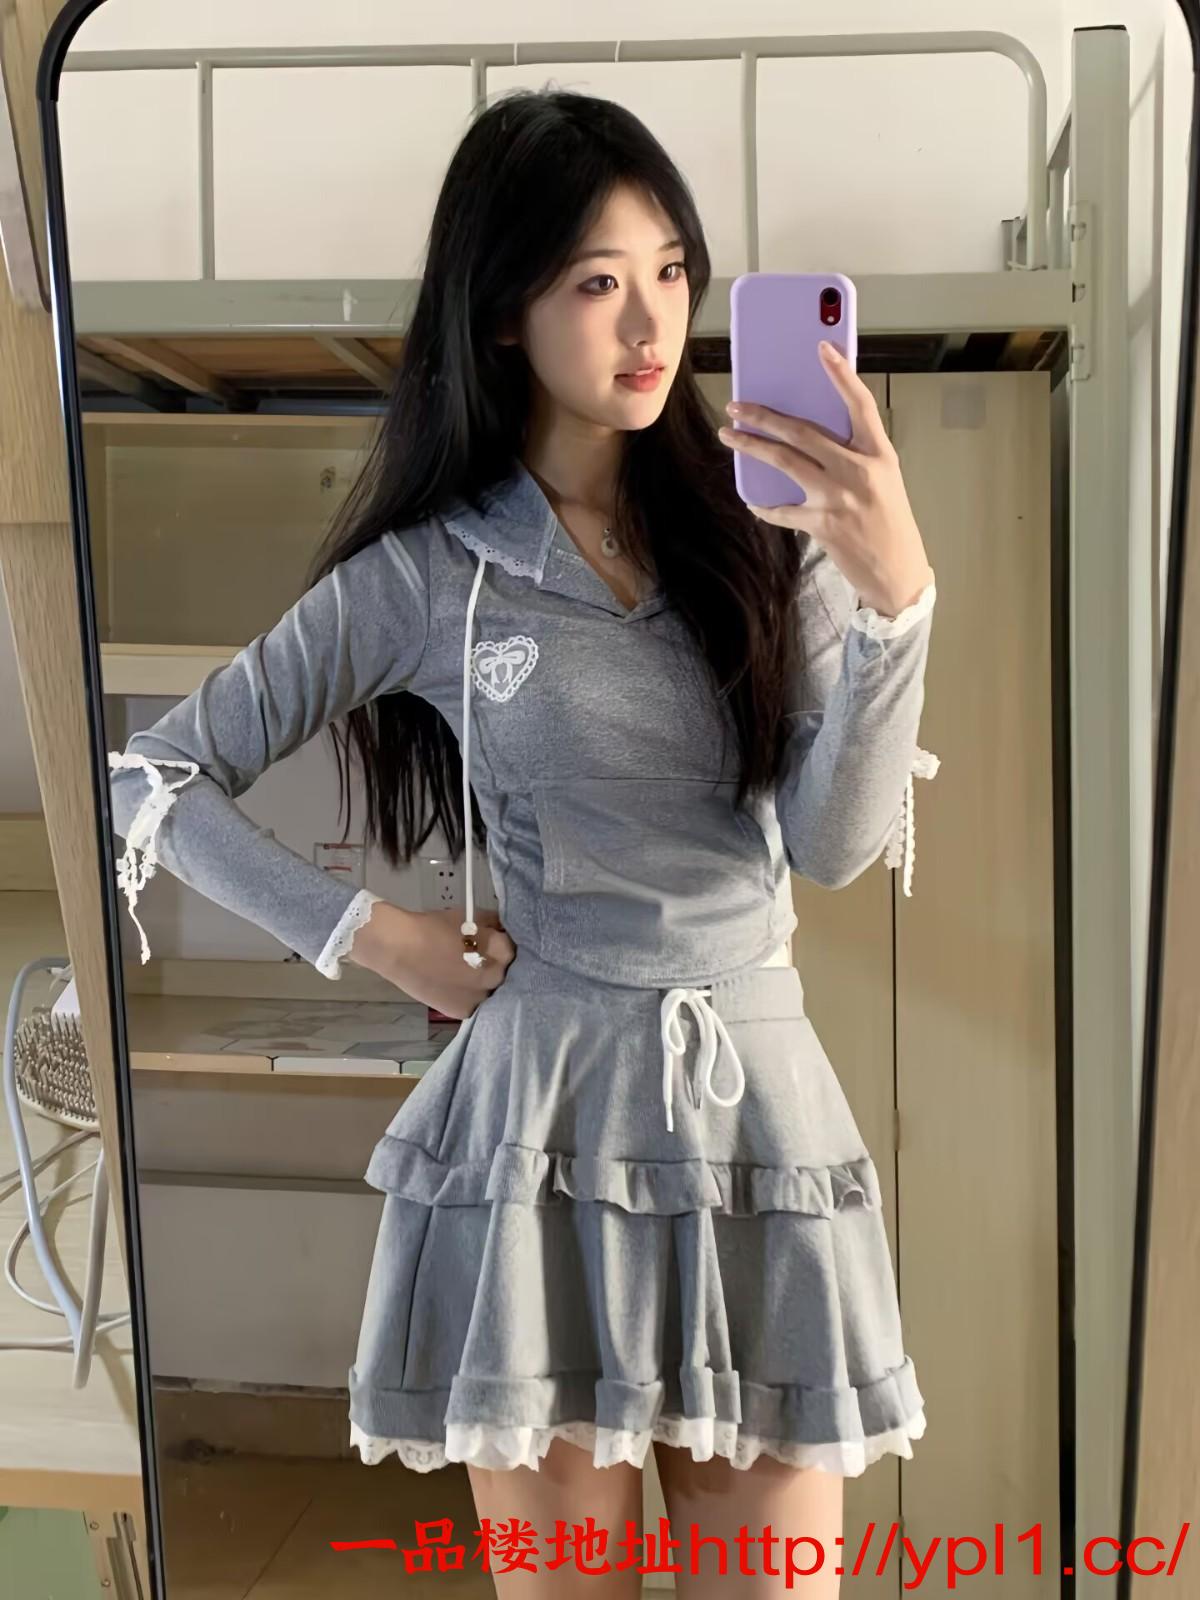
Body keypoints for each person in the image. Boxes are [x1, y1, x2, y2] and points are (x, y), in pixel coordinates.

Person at [107, 87, 938, 1598]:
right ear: (504, 313)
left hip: (755, 1119)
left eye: (672, 271)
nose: (652, 322)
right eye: (598, 281)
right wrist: (381, 939)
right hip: (537, 1134)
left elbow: (831, 845)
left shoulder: (773, 531)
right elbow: (156, 777)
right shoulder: (435, 573)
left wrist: (897, 606)